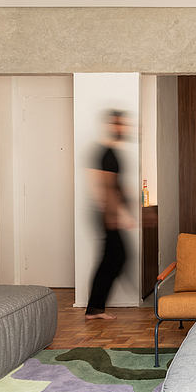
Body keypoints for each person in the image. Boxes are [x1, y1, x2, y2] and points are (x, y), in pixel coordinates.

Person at [86, 110, 133, 320]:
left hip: (108, 212)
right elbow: (107, 187)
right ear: (111, 126)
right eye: (118, 125)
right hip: (107, 213)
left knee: (112, 258)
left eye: (122, 125)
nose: (122, 129)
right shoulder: (107, 154)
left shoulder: (110, 153)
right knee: (116, 257)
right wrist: (115, 215)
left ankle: (95, 308)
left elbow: (114, 186)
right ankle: (95, 308)